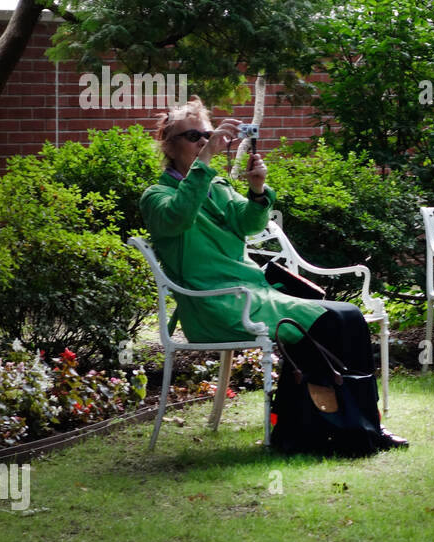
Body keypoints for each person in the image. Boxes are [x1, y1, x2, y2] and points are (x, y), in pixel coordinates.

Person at [140, 97, 406, 450]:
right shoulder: (156, 196)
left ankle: (338, 428)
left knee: (347, 317)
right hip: (217, 306)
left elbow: (249, 223)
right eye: (193, 136)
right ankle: (329, 430)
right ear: (169, 146)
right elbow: (180, 215)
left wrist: (257, 190)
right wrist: (204, 166)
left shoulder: (217, 188)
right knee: (334, 321)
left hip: (254, 295)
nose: (204, 142)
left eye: (207, 134)